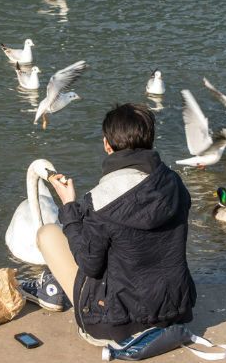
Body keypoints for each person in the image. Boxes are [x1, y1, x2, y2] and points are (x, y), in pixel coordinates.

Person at [20, 103, 197, 346]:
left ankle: (55, 293)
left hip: (115, 326)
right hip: (173, 314)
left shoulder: (100, 199)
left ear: (106, 144)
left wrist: (70, 206)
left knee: (48, 233)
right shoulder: (175, 184)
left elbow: (89, 264)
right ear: (151, 141)